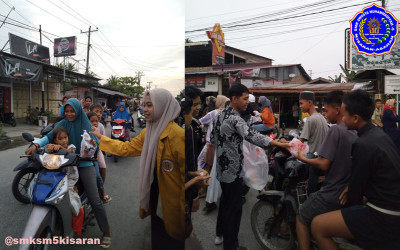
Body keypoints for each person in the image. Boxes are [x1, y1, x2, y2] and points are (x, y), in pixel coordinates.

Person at [91, 88, 185, 250]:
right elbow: (127, 148)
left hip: (173, 198)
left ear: (162, 106)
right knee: (158, 230)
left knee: (172, 237)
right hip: (155, 191)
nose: (145, 109)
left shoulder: (177, 135)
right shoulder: (148, 131)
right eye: (144, 105)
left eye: (150, 105)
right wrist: (101, 139)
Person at [311, 89, 400, 250]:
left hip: (383, 215)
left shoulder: (363, 144)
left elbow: (355, 194)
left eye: (344, 115)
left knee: (318, 225)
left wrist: (347, 193)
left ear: (355, 118)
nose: (342, 120)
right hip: (392, 207)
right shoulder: (380, 135)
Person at [211, 83, 290, 250]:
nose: (248, 102)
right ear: (234, 99)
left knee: (225, 206)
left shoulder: (219, 116)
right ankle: (232, 246)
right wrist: (277, 143)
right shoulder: (234, 118)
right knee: (234, 210)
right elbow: (252, 135)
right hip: (233, 172)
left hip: (222, 169)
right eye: (245, 98)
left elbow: (213, 139)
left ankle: (221, 235)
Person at [25, 98, 111, 248]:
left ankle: (106, 231)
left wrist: (93, 144)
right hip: (64, 162)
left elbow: (96, 142)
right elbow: (49, 136)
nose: (70, 114)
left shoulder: (86, 123)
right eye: (67, 111)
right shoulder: (63, 123)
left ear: (78, 110)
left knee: (94, 199)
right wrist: (36, 144)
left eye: (72, 111)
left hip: (84, 163)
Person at [292, 90, 358, 250]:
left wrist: (303, 159)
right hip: (346, 189)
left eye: (327, 110)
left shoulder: (336, 129)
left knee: (301, 215)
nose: (325, 114)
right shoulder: (356, 131)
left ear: (338, 109)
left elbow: (323, 164)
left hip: (333, 192)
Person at [197, 95, 230, 214]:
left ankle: (201, 187)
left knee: (200, 163)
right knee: (216, 172)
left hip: (210, 145)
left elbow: (199, 122)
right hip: (223, 148)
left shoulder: (213, 113)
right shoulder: (230, 114)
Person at [298, 91, 328, 194]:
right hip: (323, 159)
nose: (300, 106)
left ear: (310, 102)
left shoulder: (310, 120)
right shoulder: (321, 117)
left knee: (310, 193)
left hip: (314, 161)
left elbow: (299, 142)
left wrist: (284, 143)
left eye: (301, 103)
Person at [185, 86, 204, 211]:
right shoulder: (185, 128)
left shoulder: (195, 125)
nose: (198, 107)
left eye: (199, 104)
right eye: (195, 104)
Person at [87, 111, 111, 203]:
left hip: (96, 154)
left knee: (99, 173)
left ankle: (102, 191)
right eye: (92, 121)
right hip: (87, 156)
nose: (95, 123)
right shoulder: (85, 130)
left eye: (96, 121)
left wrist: (96, 155)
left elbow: (101, 141)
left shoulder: (99, 128)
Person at [47, 126, 78, 191]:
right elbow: (48, 148)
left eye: (65, 137)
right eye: (60, 139)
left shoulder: (71, 147)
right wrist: (49, 146)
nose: (64, 140)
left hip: (71, 176)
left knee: (68, 190)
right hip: (59, 175)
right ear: (55, 140)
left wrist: (60, 147)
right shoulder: (56, 148)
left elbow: (68, 151)